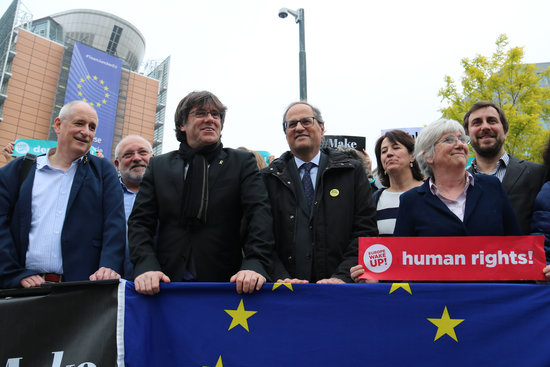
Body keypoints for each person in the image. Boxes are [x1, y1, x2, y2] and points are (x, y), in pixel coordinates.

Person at [128, 91, 273, 295]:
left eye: (216, 114)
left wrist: (254, 264)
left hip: (228, 284)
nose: (210, 119)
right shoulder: (159, 166)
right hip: (166, 283)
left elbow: (260, 216)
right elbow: (140, 223)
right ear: (182, 125)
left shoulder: (241, 163)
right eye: (201, 113)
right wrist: (146, 265)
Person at [0, 101, 125, 288]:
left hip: (81, 294)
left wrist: (108, 266)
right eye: (79, 123)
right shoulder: (19, 170)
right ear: (58, 125)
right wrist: (13, 274)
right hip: (22, 293)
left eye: (92, 127)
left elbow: (114, 225)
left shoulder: (103, 172)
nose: (86, 132)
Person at [262, 101, 378, 284]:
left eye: (306, 121)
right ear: (285, 133)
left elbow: (365, 229)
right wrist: (281, 277)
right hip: (285, 293)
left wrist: (342, 276)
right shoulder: (268, 179)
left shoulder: (352, 172)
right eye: (291, 124)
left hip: (341, 290)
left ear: (322, 128)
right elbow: (262, 236)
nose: (299, 127)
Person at [393, 118, 521, 237]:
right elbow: (403, 255)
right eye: (449, 139)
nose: (460, 145)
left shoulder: (492, 186)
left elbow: (516, 243)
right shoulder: (410, 201)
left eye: (462, 139)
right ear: (428, 156)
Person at [464, 101, 547, 235]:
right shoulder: (458, 183)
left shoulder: (539, 174)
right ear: (468, 134)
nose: (485, 127)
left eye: (492, 121)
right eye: (477, 122)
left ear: (505, 131)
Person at [113, 134, 153, 280]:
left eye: (142, 152)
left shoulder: (168, 192)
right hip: (109, 283)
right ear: (117, 164)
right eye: (128, 154)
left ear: (153, 158)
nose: (136, 158)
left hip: (156, 282)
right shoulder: (103, 194)